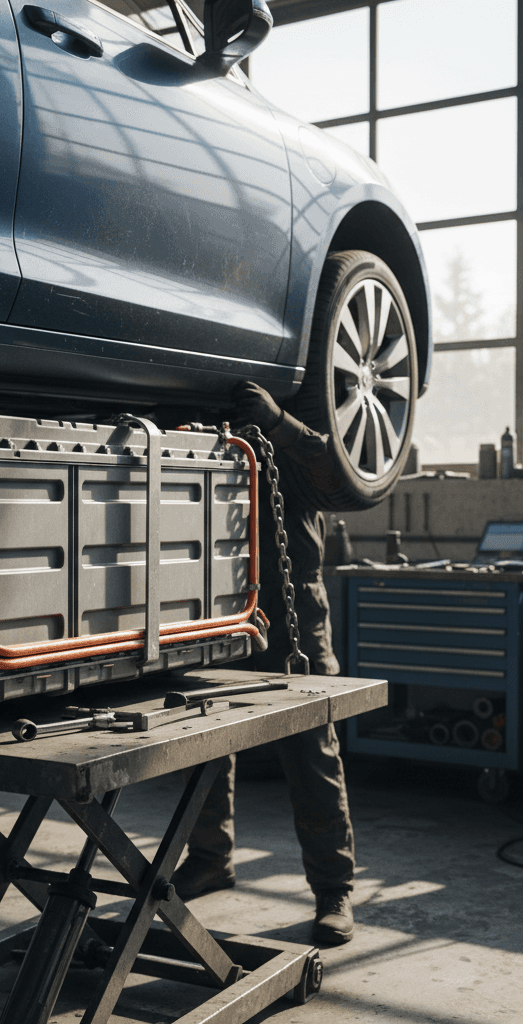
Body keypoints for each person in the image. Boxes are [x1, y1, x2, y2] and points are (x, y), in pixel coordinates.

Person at [170, 381, 357, 946]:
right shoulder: (208, 426)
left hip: (292, 607)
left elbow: (341, 477)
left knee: (311, 748)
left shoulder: (298, 424)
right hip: (215, 605)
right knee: (201, 738)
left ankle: (334, 888)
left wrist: (278, 421)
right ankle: (210, 858)